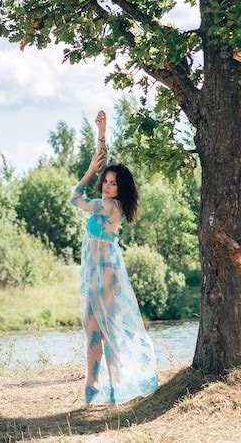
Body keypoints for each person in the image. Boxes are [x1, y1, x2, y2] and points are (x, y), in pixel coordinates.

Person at [69, 110, 158, 408]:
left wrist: (88, 174)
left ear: (122, 190)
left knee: (105, 330)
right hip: (94, 270)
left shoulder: (109, 208)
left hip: (105, 271)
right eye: (105, 181)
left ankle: (114, 387)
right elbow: (101, 161)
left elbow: (75, 198)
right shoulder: (106, 202)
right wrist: (102, 133)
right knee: (92, 328)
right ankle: (93, 387)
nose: (106, 185)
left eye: (112, 183)